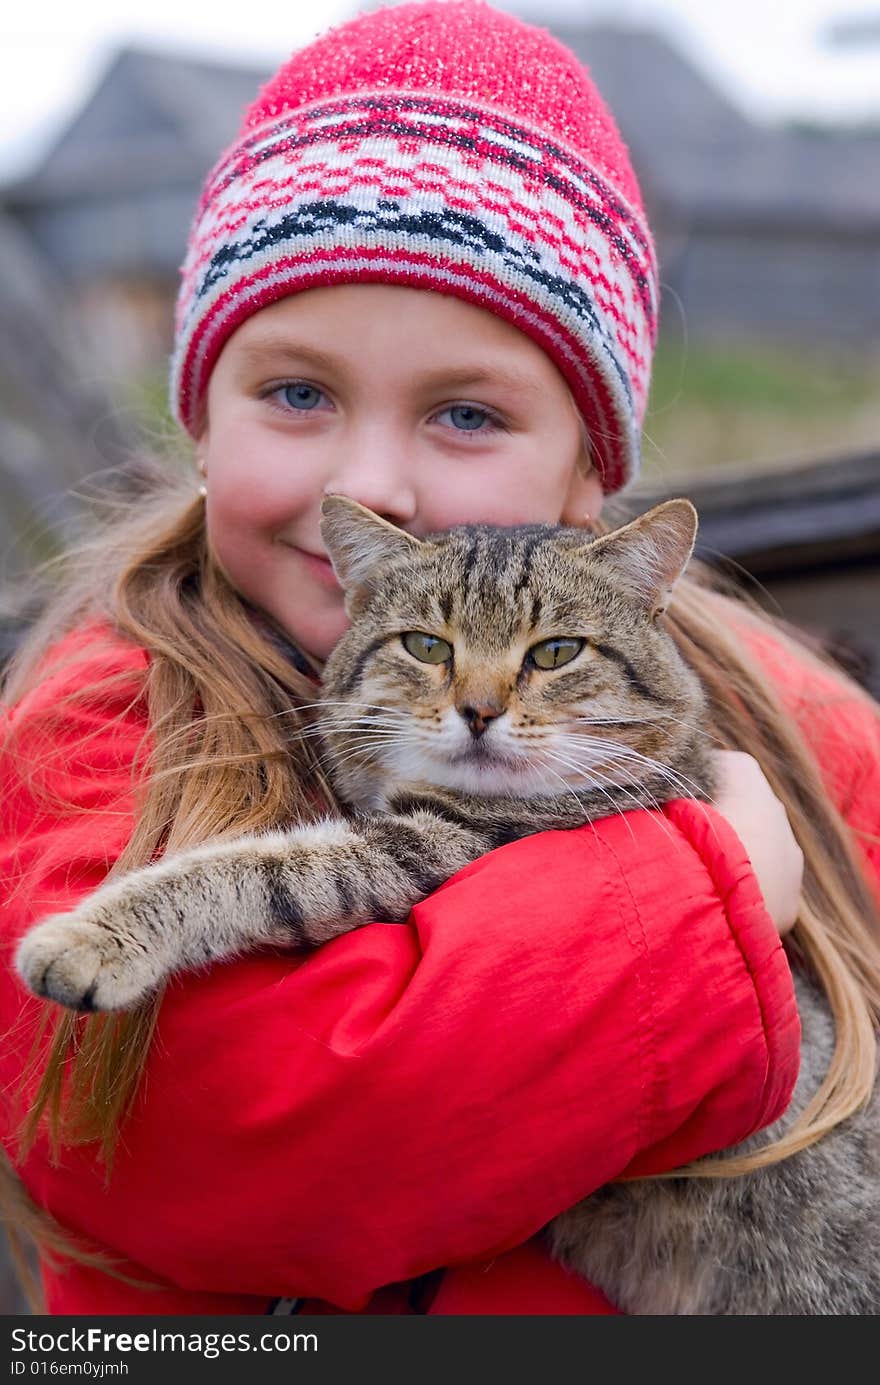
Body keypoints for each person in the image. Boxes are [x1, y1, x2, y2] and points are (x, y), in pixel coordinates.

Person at [0, 0, 877, 1318]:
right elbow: (238, 1136)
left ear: (593, 475)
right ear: (198, 416)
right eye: (298, 393)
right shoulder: (98, 732)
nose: (372, 483)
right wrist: (715, 904)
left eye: (466, 412)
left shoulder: (806, 725)